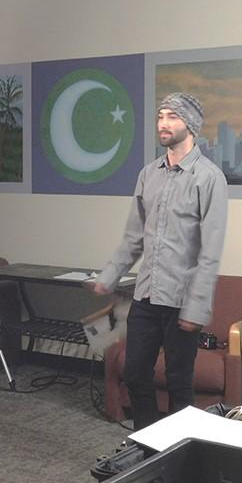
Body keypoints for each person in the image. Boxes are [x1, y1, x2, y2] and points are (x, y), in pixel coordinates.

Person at [92, 93, 228, 429]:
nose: (164, 124)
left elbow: (209, 253)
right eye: (160, 116)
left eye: (172, 117)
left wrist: (196, 309)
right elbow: (133, 236)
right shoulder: (148, 174)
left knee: (180, 383)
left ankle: (180, 457)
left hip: (181, 302)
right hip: (146, 296)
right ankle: (148, 447)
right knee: (136, 374)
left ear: (190, 125)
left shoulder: (209, 178)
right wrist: (110, 275)